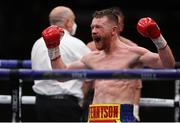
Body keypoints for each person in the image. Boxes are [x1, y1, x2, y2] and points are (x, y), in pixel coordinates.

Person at [41, 8, 175, 122]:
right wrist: (53, 49)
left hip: (121, 115)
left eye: (98, 27)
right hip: (95, 115)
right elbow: (61, 75)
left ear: (113, 30)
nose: (93, 31)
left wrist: (157, 38)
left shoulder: (133, 53)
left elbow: (168, 65)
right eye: (92, 27)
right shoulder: (91, 57)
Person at [31, 6, 91, 122]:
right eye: (74, 20)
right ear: (68, 22)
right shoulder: (76, 44)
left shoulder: (37, 44)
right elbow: (93, 71)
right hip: (65, 104)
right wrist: (82, 98)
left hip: (41, 104)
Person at [82, 7, 142, 122]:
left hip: (121, 105)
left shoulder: (133, 49)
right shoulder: (91, 47)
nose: (95, 30)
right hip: (96, 102)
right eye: (94, 27)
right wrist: (82, 99)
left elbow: (136, 82)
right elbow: (86, 79)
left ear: (119, 27)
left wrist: (135, 109)